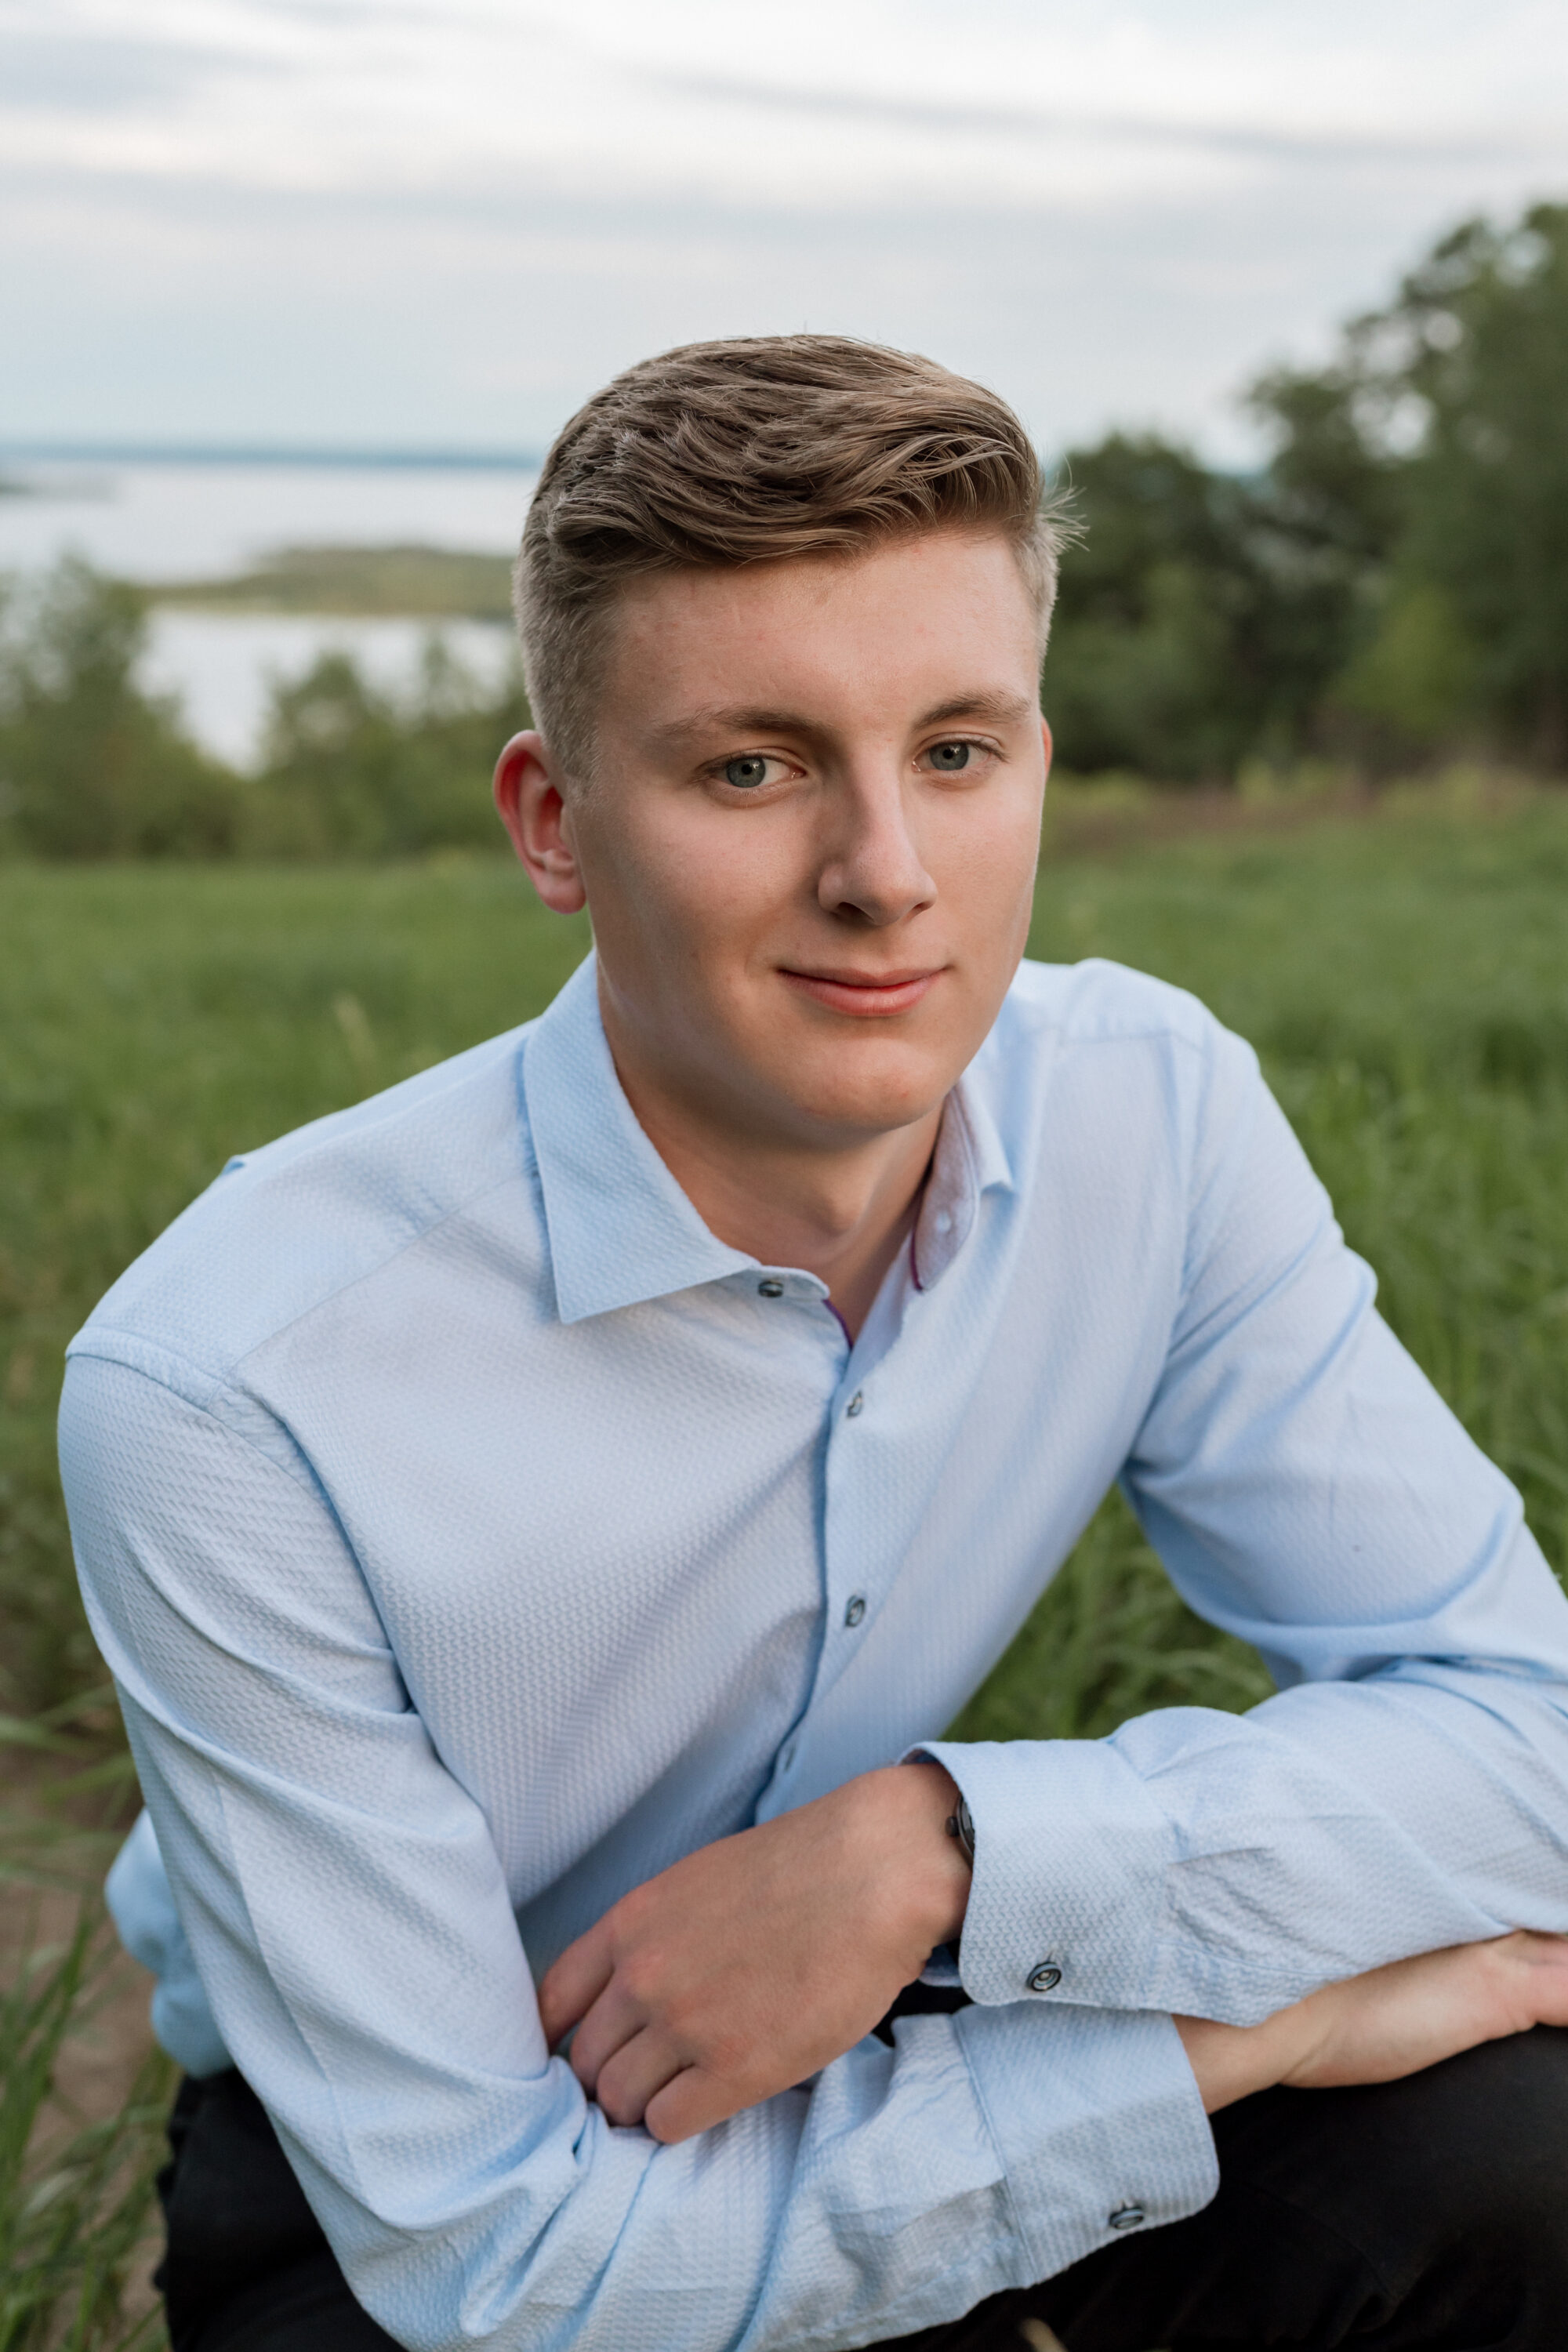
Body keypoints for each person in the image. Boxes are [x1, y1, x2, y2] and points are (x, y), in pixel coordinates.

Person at [62, 336, 1568, 2352]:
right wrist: (1259, 2030)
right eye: (752, 768)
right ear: (555, 820)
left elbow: (1525, 1737)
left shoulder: (1153, 1111)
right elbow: (503, 2261)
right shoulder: (228, 1385)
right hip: (445, 2159)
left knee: (1526, 2168)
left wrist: (940, 1852)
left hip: (930, 1975)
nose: (886, 877)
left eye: (959, 750)